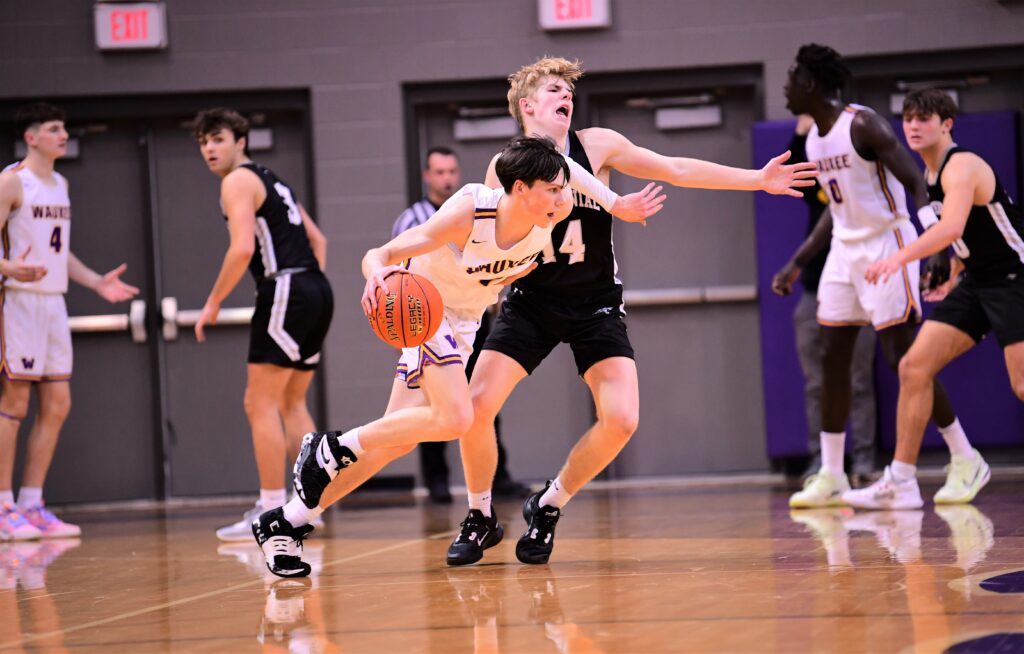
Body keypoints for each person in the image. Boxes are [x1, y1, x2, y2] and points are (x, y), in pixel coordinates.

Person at [446, 56, 818, 567]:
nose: (567, 96)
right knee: (475, 406)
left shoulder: (598, 145)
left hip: (595, 302)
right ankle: (480, 514)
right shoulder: (504, 168)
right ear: (528, 106)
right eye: (555, 88)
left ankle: (549, 504)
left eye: (569, 90)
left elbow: (677, 169)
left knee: (621, 419)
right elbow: (487, 239)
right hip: (531, 301)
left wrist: (757, 179)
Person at [251, 135, 665, 578]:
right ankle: (332, 447)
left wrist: (614, 200)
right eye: (553, 189)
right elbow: (382, 254)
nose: (564, 199)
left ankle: (283, 521)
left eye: (565, 188)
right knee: (457, 418)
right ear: (520, 188)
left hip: (464, 322)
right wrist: (377, 278)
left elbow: (576, 176)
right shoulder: (470, 209)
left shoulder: (555, 211)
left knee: (398, 438)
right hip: (426, 310)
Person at [776, 44, 978, 510]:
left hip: (889, 243)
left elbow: (916, 182)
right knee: (832, 358)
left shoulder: (862, 123)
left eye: (791, 79)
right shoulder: (812, 141)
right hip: (844, 253)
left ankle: (964, 455)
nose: (785, 88)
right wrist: (799, 260)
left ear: (810, 84)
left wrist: (935, 247)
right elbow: (836, 210)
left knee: (905, 358)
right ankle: (831, 473)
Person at [843, 89, 1015, 509]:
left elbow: (953, 228)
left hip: (1015, 279)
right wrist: (953, 276)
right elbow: (976, 236)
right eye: (908, 119)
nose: (914, 126)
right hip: (977, 280)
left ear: (947, 124)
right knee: (913, 366)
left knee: (1022, 384)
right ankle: (901, 481)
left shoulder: (963, 166)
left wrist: (897, 259)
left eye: (924, 118)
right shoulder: (929, 175)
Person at [191, 108, 334, 541]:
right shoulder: (273, 178)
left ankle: (272, 508)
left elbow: (240, 250)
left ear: (241, 141)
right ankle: (310, 505)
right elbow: (319, 240)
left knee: (260, 403)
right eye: (203, 142)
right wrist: (309, 286)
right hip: (316, 288)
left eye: (217, 138)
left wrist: (213, 301)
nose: (209, 149)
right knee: (292, 403)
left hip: (287, 287)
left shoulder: (236, 181)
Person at [0, 102, 139, 540]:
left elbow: (59, 252)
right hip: (18, 301)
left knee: (58, 404)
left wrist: (96, 282)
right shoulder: (10, 181)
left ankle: (31, 503)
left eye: (64, 128)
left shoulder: (60, 182)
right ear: (31, 136)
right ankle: (2, 506)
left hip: (54, 303)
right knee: (15, 404)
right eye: (54, 128)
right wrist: (9, 269)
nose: (63, 134)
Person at [392, 146, 527, 503]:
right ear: (426, 176)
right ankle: (437, 481)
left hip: (473, 315)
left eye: (451, 171)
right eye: (439, 172)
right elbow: (398, 271)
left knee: (481, 401)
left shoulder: (483, 214)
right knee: (428, 404)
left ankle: (496, 478)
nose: (447, 178)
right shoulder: (413, 218)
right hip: (429, 318)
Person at [775, 115, 878, 485]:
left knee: (860, 380)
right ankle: (821, 463)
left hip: (857, 289)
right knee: (816, 383)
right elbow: (789, 165)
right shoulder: (818, 181)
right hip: (813, 292)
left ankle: (865, 462)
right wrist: (803, 125)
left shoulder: (857, 182)